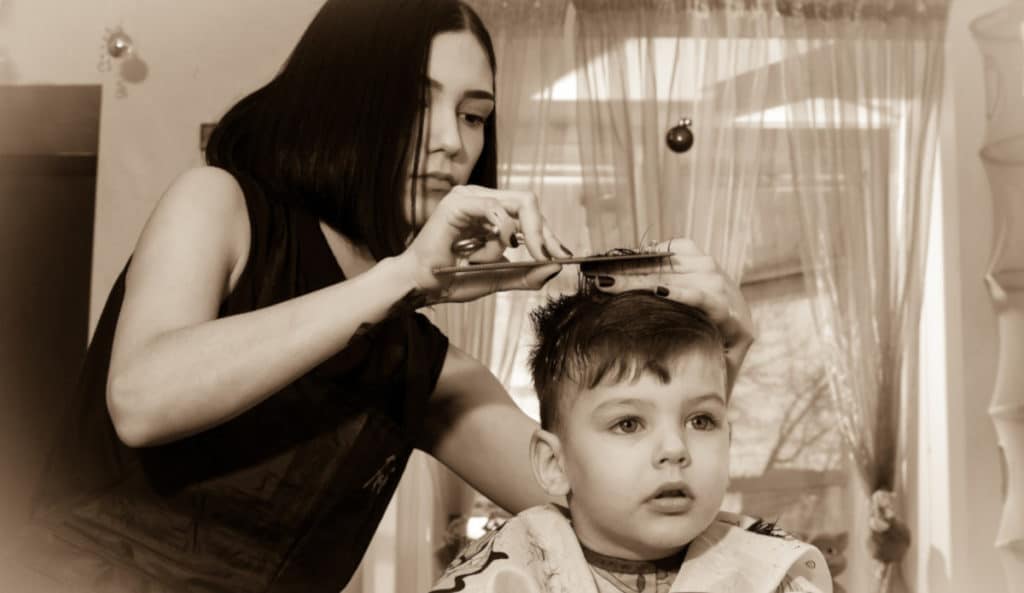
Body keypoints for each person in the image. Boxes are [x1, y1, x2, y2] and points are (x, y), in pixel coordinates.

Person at [0, 1, 755, 592]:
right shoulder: (219, 204)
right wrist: (400, 279)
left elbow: (611, 510)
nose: (454, 142)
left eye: (473, 115)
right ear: (339, 97)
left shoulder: (425, 368)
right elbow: (140, 398)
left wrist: (721, 359)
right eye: (419, 103)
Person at [428, 287, 831, 593]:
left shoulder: (770, 573)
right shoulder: (505, 576)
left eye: (701, 420)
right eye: (628, 424)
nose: (675, 449)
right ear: (554, 464)